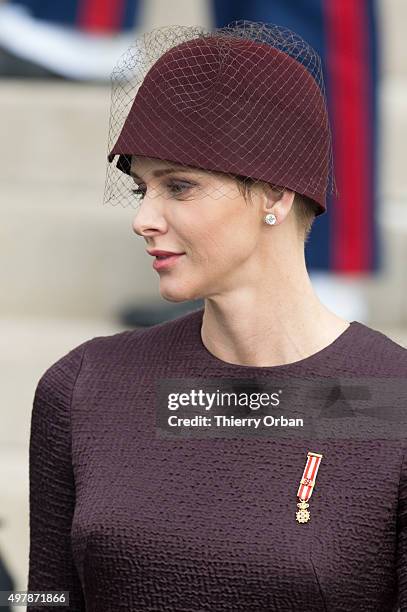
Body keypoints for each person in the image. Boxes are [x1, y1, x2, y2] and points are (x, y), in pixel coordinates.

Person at [27, 21, 407, 611]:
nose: (143, 219)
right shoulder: (82, 387)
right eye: (141, 189)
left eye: (179, 187)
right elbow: (46, 598)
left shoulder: (391, 401)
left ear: (277, 195)